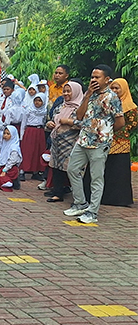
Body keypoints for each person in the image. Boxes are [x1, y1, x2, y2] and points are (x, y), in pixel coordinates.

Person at [64, 65, 125, 224]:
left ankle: (92, 212)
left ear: (107, 80)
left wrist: (105, 132)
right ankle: (80, 203)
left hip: (100, 143)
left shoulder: (112, 97)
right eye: (92, 77)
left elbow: (120, 122)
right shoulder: (89, 94)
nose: (93, 80)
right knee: (72, 169)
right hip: (83, 139)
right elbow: (79, 115)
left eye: (97, 77)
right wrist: (87, 95)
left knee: (96, 177)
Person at [100, 78, 136, 206]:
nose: (114, 91)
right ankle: (102, 197)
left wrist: (115, 128)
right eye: (112, 88)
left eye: (117, 88)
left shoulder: (131, 107)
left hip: (121, 143)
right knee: (104, 169)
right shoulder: (107, 102)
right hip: (105, 140)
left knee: (118, 171)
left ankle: (119, 199)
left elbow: (131, 125)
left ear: (124, 89)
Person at [45, 82, 83, 203]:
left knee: (70, 168)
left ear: (76, 92)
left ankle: (77, 196)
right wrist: (49, 124)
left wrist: (69, 122)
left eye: (69, 91)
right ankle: (57, 192)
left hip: (70, 142)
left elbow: (85, 124)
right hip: (57, 142)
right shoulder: (61, 106)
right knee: (56, 167)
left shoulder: (80, 108)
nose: (66, 94)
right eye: (64, 91)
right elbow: (52, 119)